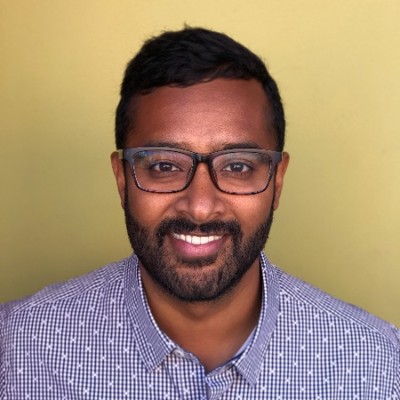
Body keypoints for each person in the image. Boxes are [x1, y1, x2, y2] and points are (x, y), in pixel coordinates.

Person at [1, 27, 399, 399]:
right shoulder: (19, 348)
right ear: (122, 180)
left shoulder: (375, 364)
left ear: (276, 182)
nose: (200, 205)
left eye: (238, 166)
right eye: (164, 166)